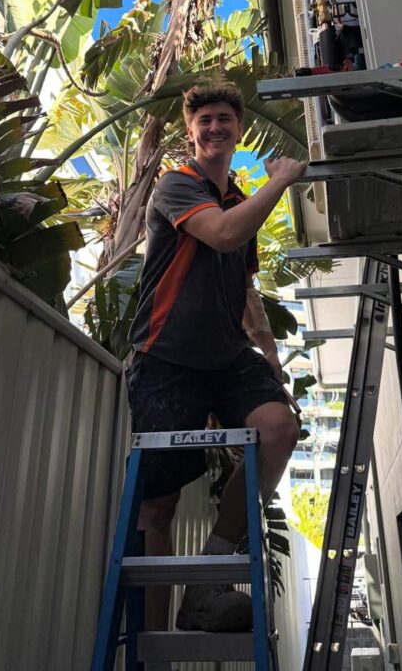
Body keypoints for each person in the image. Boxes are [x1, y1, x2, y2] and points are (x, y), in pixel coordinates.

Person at [126, 80, 307, 654]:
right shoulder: (179, 185)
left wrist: (269, 354)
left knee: (278, 427)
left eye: (225, 118)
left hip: (227, 355)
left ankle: (210, 573)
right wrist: (280, 180)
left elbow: (243, 286)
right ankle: (153, 644)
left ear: (237, 128)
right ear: (191, 131)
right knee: (159, 507)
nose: (215, 127)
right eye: (204, 119)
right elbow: (224, 238)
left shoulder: (238, 199)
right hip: (167, 356)